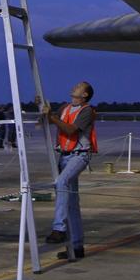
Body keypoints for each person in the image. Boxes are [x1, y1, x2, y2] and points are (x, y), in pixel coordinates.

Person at [43, 81, 97, 260]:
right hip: (64, 156)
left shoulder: (87, 111)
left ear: (85, 95)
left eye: (79, 86)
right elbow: (46, 121)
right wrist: (43, 111)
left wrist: (51, 117)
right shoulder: (65, 108)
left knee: (61, 182)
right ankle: (77, 246)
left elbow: (70, 130)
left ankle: (59, 229)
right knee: (72, 204)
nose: (74, 87)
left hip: (79, 156)